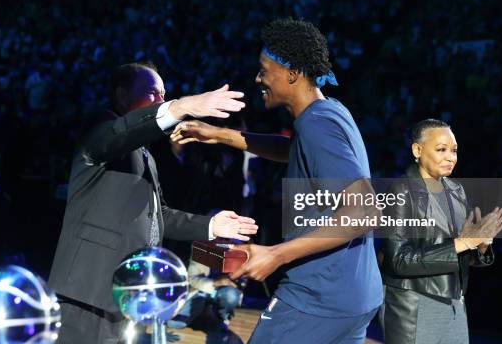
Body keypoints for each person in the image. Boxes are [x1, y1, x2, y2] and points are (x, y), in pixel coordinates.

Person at [171, 19, 382, 343]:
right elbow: (298, 150)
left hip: (318, 295)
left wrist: (276, 254)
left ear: (292, 73)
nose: (258, 79)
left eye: (264, 70)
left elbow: (365, 211)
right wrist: (221, 135)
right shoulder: (329, 113)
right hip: (355, 294)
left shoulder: (315, 126)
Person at [48, 62, 258, 344]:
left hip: (124, 294)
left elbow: (161, 216)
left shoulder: (145, 154)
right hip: (87, 291)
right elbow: (121, 132)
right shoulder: (99, 127)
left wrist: (210, 225)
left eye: (165, 94)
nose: (161, 100)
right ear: (122, 96)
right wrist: (179, 106)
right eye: (153, 93)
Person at [379, 119, 502, 344]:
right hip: (414, 305)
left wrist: (481, 245)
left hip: (455, 302)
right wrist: (463, 242)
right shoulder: (400, 190)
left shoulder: (457, 191)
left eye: (454, 150)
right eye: (441, 150)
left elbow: (460, 255)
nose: (451, 157)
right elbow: (398, 260)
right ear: (417, 150)